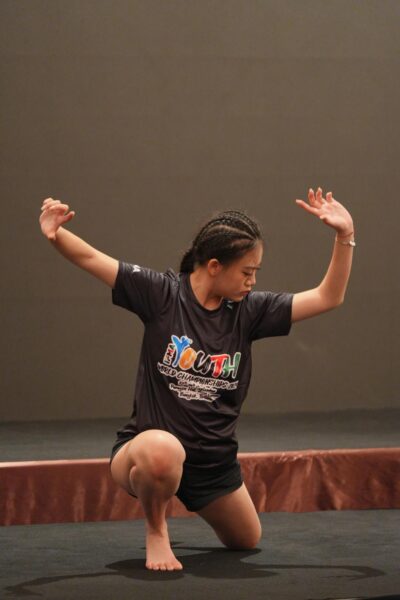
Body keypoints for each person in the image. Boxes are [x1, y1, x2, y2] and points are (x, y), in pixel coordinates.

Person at [39, 188, 355, 572]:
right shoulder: (162, 295)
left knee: (246, 539)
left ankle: (185, 492)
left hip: (212, 465)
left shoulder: (248, 312)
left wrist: (345, 236)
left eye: (256, 273)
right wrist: (56, 233)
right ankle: (157, 530)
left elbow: (328, 297)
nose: (252, 281)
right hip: (148, 453)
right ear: (215, 266)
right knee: (163, 450)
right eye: (247, 272)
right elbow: (93, 258)